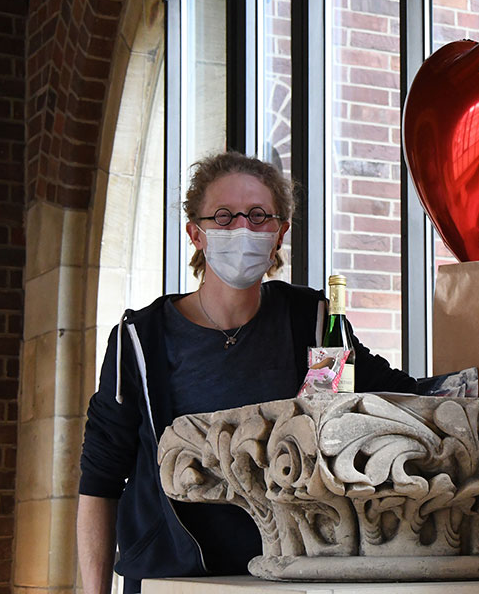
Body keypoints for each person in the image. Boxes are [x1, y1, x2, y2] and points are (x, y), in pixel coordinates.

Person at [76, 151, 416, 594]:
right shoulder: (140, 340)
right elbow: (100, 479)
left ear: (280, 233)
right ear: (195, 234)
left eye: (259, 217)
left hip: (284, 574)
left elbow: (394, 395)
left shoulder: (310, 320)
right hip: (171, 575)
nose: (242, 229)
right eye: (223, 217)